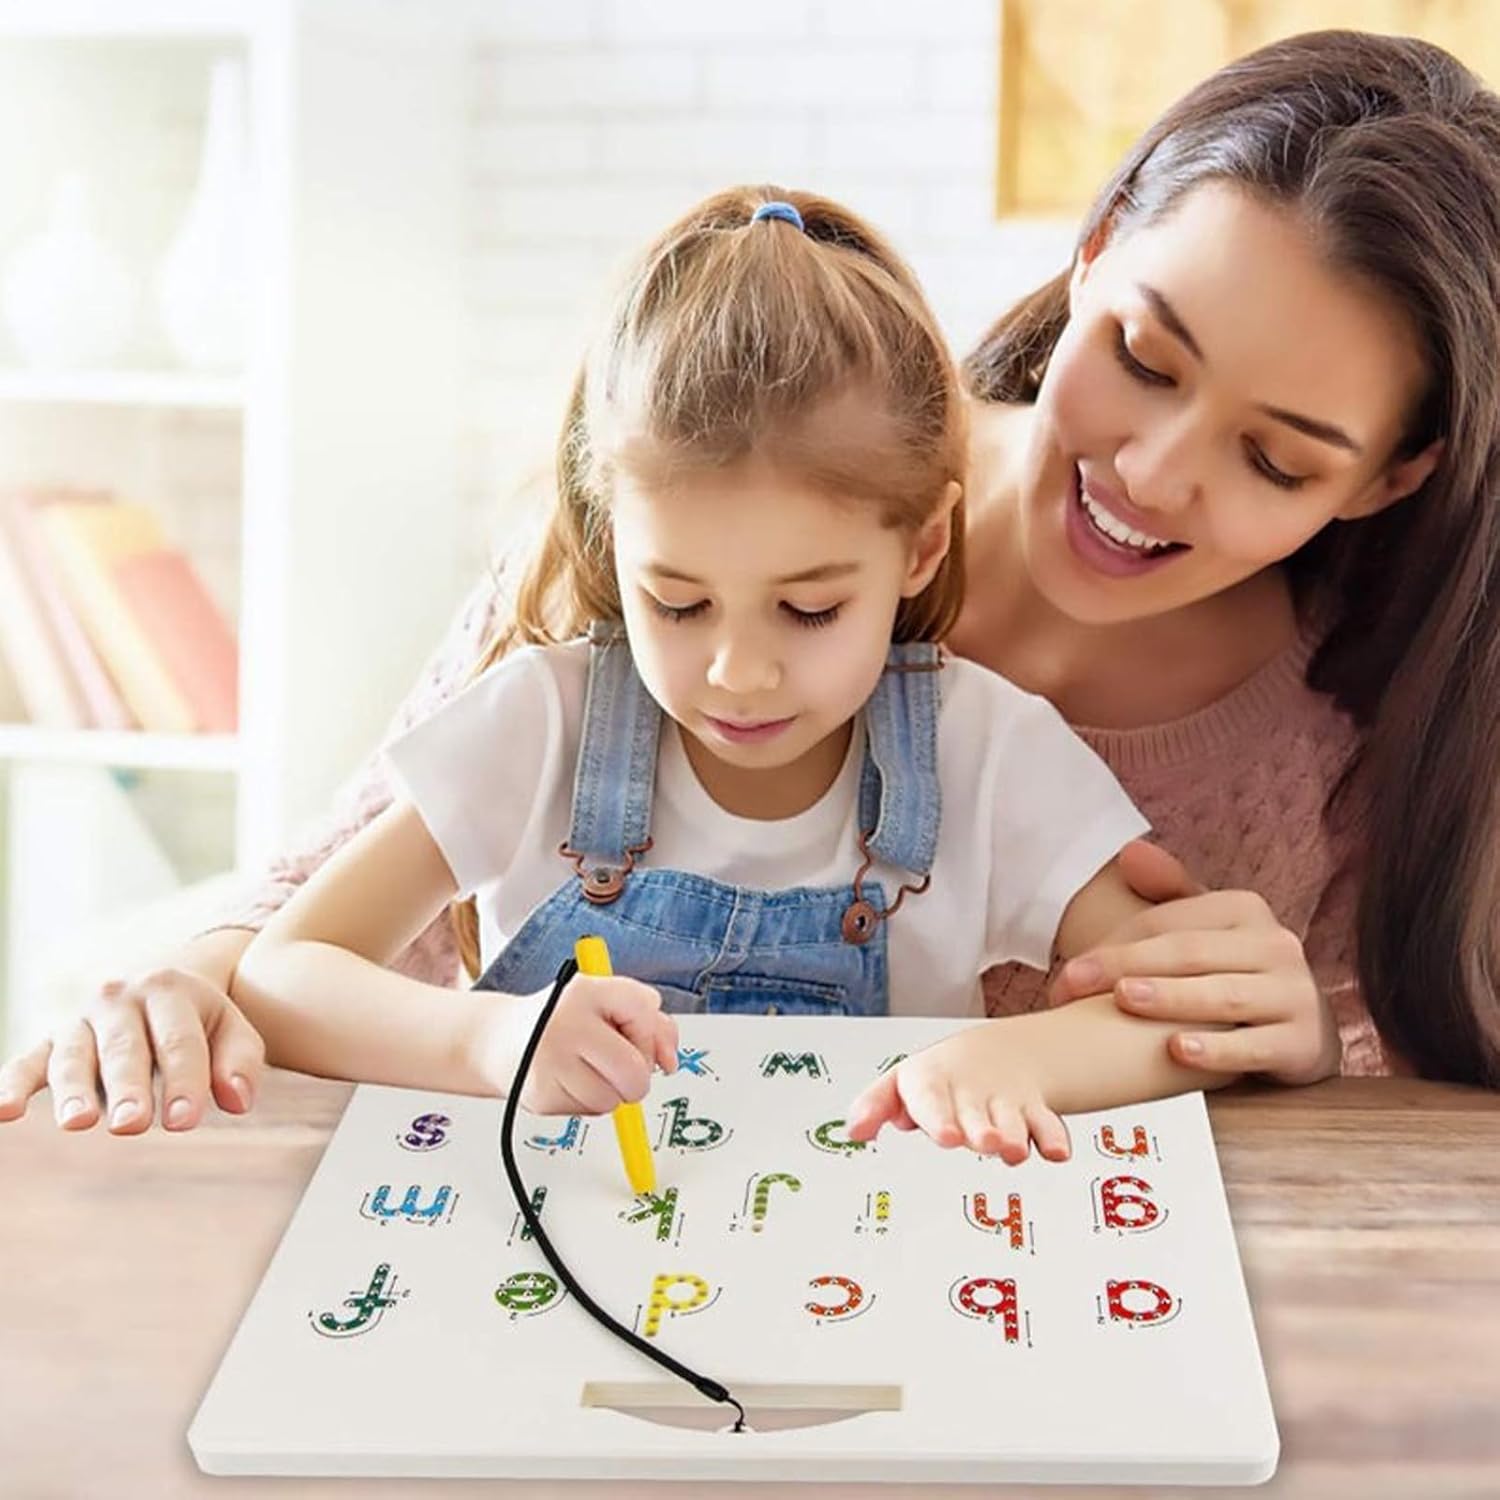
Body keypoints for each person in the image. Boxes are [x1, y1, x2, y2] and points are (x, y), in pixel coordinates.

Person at [3, 27, 1496, 1135]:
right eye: (1145, 358)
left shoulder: (1315, 741)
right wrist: (198, 980)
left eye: (1275, 460)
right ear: (1095, 252)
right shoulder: (729, 471)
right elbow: (304, 922)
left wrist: (1294, 1049)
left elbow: (1346, 1100)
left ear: (1388, 477)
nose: (1157, 473)